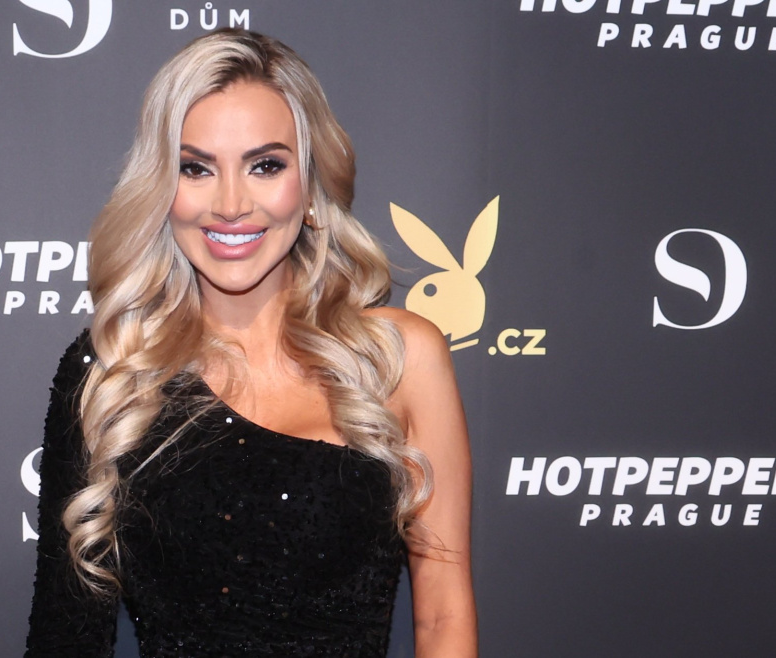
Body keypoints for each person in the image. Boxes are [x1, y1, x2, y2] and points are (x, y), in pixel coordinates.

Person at [26, 28, 476, 657]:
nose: (231, 204)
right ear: (162, 190)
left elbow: (444, 616)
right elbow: (65, 637)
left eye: (265, 165)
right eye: (196, 168)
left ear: (310, 186)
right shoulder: (111, 374)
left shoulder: (397, 358)